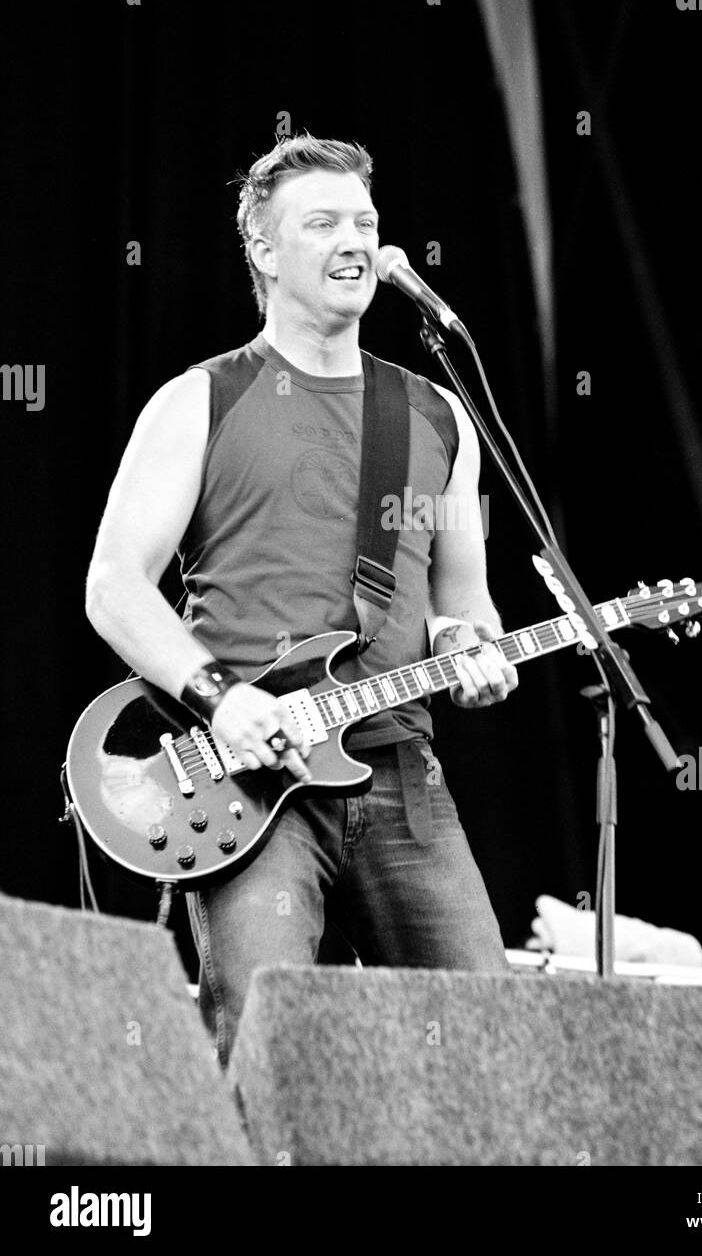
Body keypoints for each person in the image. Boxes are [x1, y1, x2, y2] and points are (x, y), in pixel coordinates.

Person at [85, 134, 518, 1064]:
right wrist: (221, 700)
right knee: (263, 1049)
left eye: (364, 221)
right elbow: (115, 587)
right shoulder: (198, 401)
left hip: (401, 769)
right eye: (321, 223)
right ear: (265, 252)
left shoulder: (438, 416)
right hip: (252, 779)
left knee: (486, 1050)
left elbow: (463, 608)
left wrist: (473, 649)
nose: (353, 239)